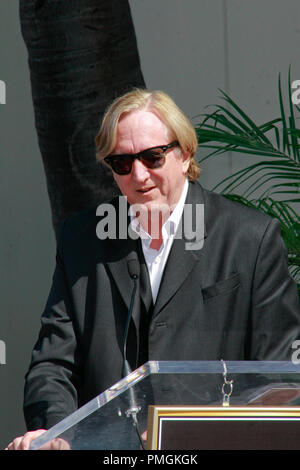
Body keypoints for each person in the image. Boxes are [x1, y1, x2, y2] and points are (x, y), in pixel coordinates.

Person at [6, 88, 300, 450]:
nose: (140, 176)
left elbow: (278, 377)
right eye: (123, 164)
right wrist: (55, 433)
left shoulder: (250, 238)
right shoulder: (82, 239)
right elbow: (53, 364)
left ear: (185, 153)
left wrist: (192, 432)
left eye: (153, 157)